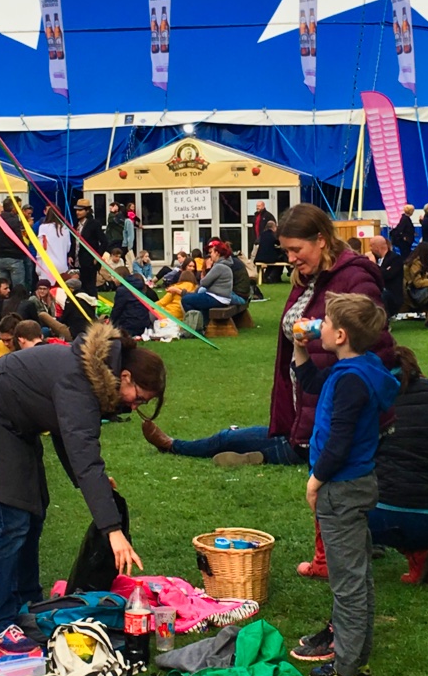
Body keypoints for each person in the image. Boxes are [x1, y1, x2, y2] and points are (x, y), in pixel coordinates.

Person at [0, 320, 165, 645]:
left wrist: (88, 483)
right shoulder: (79, 382)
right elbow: (83, 450)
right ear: (125, 376)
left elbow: (69, 439)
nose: (135, 405)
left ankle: (28, 602)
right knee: (10, 523)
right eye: (138, 397)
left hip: (11, 427)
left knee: (33, 511)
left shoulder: (89, 375)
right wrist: (113, 530)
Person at [141, 205, 389, 478]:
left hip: (327, 418)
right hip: (305, 408)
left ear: (321, 240)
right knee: (240, 436)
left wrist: (318, 332)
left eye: (296, 249)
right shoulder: (308, 276)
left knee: (237, 438)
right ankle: (218, 450)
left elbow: (375, 341)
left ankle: (180, 446)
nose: (291, 258)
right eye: (286, 251)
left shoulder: (355, 278)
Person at [287, 293, 399, 676]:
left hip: (342, 488)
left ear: (340, 334)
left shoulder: (351, 379)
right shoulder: (359, 368)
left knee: (348, 586)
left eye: (324, 322)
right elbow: (318, 385)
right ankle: (357, 665)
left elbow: (338, 442)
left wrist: (316, 481)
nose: (317, 326)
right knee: (359, 578)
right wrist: (301, 350)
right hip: (355, 484)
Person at [371, 346, 428, 585]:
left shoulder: (375, 393)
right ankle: (419, 553)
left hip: (385, 511)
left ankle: (337, 559)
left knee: (342, 503)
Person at [180, 240, 245, 319]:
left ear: (217, 253)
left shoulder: (219, 266)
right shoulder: (226, 265)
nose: (210, 255)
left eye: (212, 253)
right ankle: (204, 322)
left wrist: (205, 274)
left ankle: (197, 323)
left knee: (185, 299)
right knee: (198, 299)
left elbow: (204, 282)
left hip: (217, 297)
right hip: (223, 298)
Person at [402, 242, 428, 320]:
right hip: (413, 294)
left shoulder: (415, 261)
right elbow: (418, 283)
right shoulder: (415, 264)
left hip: (413, 291)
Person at [367, 235, 404, 317]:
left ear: (377, 247)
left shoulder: (395, 259)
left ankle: (385, 322)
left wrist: (373, 265)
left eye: (371, 246)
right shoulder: (376, 259)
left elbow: (387, 276)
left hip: (392, 295)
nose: (370, 249)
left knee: (382, 294)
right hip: (379, 291)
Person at [74, 199, 104, 294]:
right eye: (76, 210)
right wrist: (71, 255)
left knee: (90, 287)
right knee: (80, 287)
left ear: (87, 211)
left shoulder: (94, 224)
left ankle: (93, 306)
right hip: (78, 261)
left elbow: (104, 242)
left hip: (90, 261)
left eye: (80, 210)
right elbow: (74, 242)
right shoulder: (76, 225)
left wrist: (97, 257)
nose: (77, 212)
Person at [36, 213, 74, 283]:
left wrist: (38, 266)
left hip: (46, 265)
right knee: (61, 289)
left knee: (46, 288)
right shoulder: (65, 228)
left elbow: (40, 248)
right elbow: (68, 247)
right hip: (62, 265)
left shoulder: (43, 227)